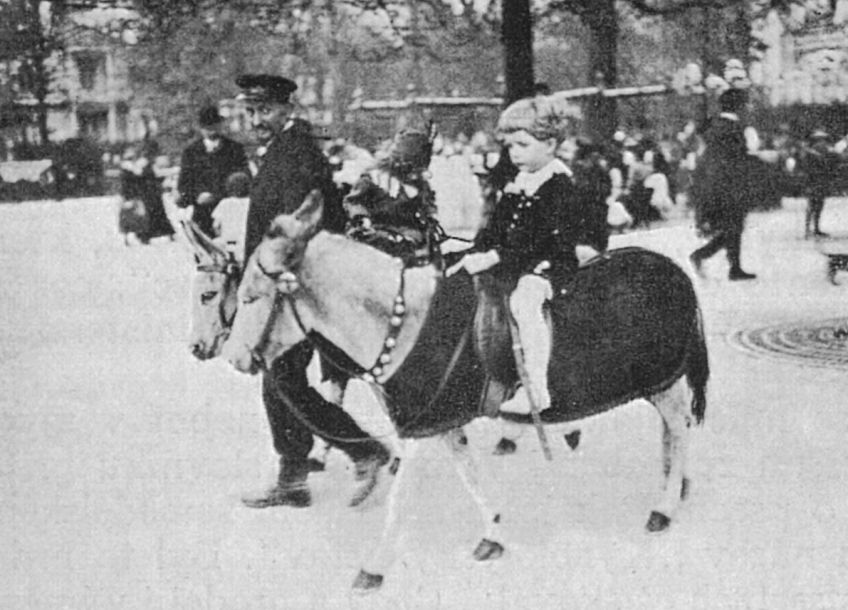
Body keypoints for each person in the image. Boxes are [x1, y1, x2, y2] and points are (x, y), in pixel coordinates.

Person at [235, 73, 389, 509]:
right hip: (282, 283)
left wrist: (281, 277)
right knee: (278, 378)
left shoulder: (297, 154)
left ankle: (363, 450)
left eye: (264, 110)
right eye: (250, 110)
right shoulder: (281, 151)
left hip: (299, 286)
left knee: (282, 376)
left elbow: (304, 224)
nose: (256, 119)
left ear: (287, 109)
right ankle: (294, 477)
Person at [448, 95, 583, 415]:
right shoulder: (519, 183)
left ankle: (536, 388)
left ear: (550, 145)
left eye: (522, 145)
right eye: (510, 147)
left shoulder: (558, 184)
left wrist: (494, 258)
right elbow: (495, 231)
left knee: (525, 300)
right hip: (515, 261)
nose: (514, 153)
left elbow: (538, 241)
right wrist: (468, 248)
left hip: (550, 264)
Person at [342, 128, 442, 263]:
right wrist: (361, 217)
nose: (413, 172)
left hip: (408, 233)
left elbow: (428, 204)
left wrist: (430, 216)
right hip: (376, 228)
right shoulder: (374, 176)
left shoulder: (419, 183)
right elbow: (354, 201)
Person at [689, 88, 757, 281]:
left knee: (732, 227)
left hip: (713, 184)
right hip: (729, 185)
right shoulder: (733, 128)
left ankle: (733, 266)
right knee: (733, 226)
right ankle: (704, 256)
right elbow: (737, 159)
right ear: (738, 106)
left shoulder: (715, 125)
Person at [177, 105, 250, 237]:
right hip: (201, 215)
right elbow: (183, 184)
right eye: (207, 128)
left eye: (214, 126)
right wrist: (195, 197)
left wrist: (217, 196)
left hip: (230, 213)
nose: (211, 131)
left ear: (220, 125)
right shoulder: (191, 152)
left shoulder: (235, 149)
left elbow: (244, 180)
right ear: (200, 128)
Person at [801, 129, 837, 239]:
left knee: (819, 205)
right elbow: (807, 168)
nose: (823, 142)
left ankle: (815, 228)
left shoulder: (822, 151)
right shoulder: (810, 153)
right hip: (813, 181)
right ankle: (808, 229)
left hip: (820, 180)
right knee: (812, 205)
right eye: (820, 140)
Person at [212, 171, 251, 262]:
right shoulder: (251, 203)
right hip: (245, 243)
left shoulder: (224, 203)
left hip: (227, 244)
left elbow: (215, 226)